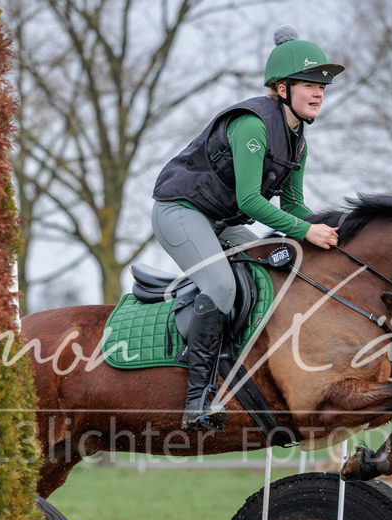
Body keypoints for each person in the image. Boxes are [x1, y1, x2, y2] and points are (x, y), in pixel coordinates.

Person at [151, 26, 343, 430]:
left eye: (322, 86)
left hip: (221, 222)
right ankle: (198, 398)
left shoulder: (298, 141)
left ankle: (247, 370)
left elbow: (294, 207)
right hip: (180, 211)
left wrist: (332, 232)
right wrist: (305, 232)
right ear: (281, 88)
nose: (319, 93)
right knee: (221, 286)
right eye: (309, 84)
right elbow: (250, 202)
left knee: (269, 275)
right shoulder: (253, 125)